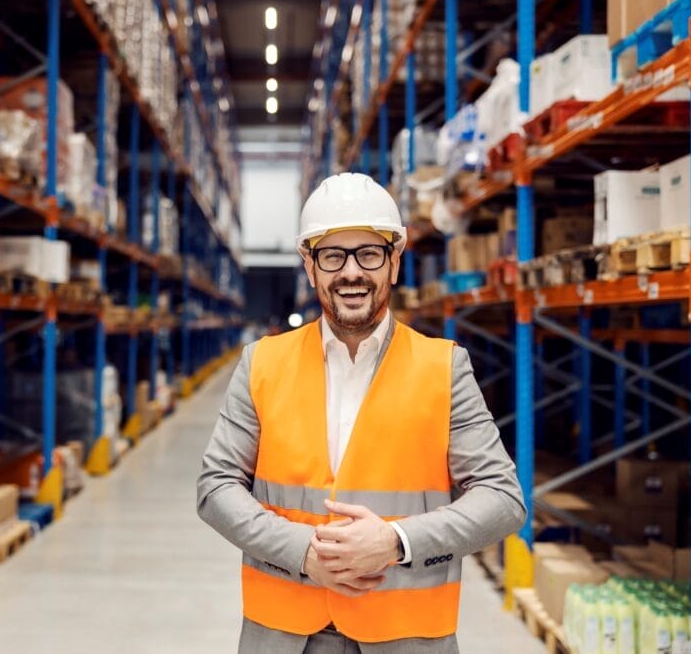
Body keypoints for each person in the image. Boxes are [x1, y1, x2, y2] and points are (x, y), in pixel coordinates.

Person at [197, 173, 526, 653]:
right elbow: (215, 488)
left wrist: (397, 541)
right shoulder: (262, 363)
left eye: (369, 253)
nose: (351, 272)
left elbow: (502, 498)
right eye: (333, 255)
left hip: (406, 636)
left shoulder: (444, 367)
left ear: (394, 262)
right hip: (285, 635)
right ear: (310, 267)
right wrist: (303, 552)